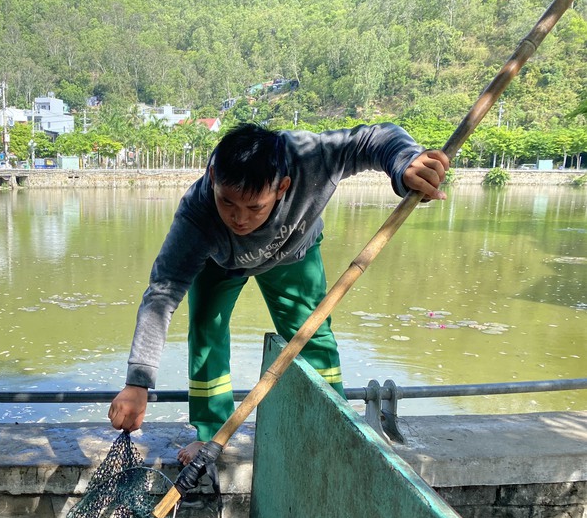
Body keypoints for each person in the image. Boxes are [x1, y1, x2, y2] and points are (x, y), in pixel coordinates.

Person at [107, 122, 449, 465]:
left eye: (255, 207)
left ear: (283, 186)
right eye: (228, 203)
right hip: (219, 262)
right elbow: (161, 296)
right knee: (205, 334)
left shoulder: (310, 157)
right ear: (212, 177)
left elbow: (373, 138)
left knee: (314, 337)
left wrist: (405, 162)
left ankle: (331, 424)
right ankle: (211, 434)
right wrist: (138, 382)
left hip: (292, 252)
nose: (239, 219)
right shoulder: (197, 217)